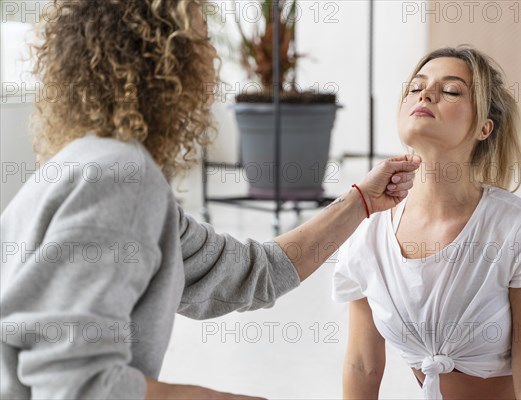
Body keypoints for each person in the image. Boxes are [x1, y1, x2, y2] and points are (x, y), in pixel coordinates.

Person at [0, 1, 422, 399]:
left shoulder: (91, 163)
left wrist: (360, 202)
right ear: (165, 55)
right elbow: (78, 387)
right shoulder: (122, 178)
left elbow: (249, 272)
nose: (210, 60)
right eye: (201, 41)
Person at [332, 45, 521, 400]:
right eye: (416, 87)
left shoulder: (519, 231)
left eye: (451, 90)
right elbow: (362, 365)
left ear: (484, 128)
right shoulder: (369, 233)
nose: (425, 94)